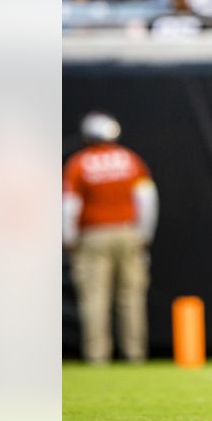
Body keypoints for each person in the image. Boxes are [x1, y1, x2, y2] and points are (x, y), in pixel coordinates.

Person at [63, 112, 158, 364]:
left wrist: (69, 237)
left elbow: (69, 205)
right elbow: (147, 200)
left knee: (95, 297)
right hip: (128, 232)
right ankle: (135, 354)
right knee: (131, 297)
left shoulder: (79, 163)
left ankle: (97, 356)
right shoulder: (130, 159)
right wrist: (144, 234)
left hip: (93, 235)